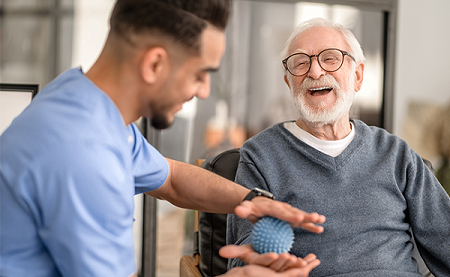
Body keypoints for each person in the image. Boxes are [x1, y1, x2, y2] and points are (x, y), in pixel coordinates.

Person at [0, 1, 328, 276]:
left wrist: (253, 202)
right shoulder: (84, 156)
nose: (204, 91)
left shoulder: (83, 103)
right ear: (155, 63)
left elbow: (171, 179)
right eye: (201, 74)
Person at [227, 17, 450, 277]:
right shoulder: (260, 156)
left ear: (357, 76)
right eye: (301, 62)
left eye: (330, 59)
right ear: (289, 82)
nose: (315, 72)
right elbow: (245, 259)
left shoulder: (397, 155)